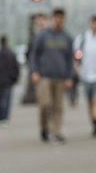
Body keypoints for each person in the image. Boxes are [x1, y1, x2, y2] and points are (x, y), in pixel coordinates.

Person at [29, 8, 75, 144]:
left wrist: (69, 76)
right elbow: (34, 54)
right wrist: (34, 71)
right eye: (57, 18)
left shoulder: (66, 37)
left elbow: (70, 59)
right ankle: (44, 126)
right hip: (44, 76)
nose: (59, 21)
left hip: (60, 77)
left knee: (58, 106)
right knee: (45, 104)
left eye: (61, 18)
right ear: (52, 19)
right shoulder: (43, 35)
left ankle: (56, 131)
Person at [75, 15, 96, 137]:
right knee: (89, 102)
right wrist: (78, 64)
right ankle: (93, 121)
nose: (95, 26)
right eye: (93, 23)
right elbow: (77, 53)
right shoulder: (82, 38)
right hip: (86, 73)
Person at [0, 34, 20, 125]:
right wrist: (15, 78)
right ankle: (5, 117)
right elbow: (16, 67)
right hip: (8, 80)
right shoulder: (11, 53)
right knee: (7, 99)